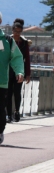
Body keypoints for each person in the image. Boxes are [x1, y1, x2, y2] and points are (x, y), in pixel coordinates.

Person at [0, 12, 24, 144]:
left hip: (1, 82)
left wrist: (19, 71)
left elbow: (17, 57)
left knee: (0, 109)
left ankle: (0, 131)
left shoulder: (7, 40)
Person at [6, 19, 31, 123]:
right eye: (15, 31)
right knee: (8, 93)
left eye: (19, 32)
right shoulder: (7, 40)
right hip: (8, 70)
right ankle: (8, 114)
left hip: (19, 71)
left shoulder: (24, 43)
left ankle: (16, 111)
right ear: (12, 30)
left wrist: (28, 73)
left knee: (17, 92)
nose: (17, 34)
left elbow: (27, 59)